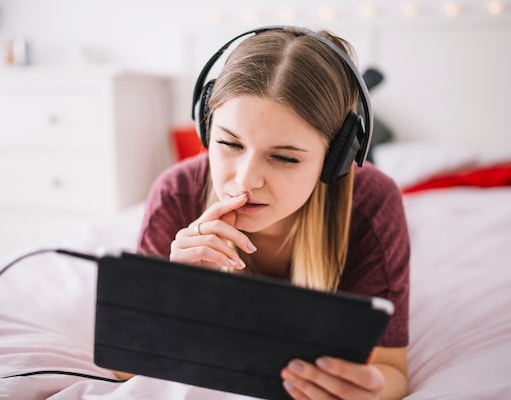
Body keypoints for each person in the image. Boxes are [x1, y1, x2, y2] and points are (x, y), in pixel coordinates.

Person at [137, 26, 410, 400]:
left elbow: (392, 370)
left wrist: (371, 389)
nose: (246, 180)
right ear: (206, 126)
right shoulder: (175, 193)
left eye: (283, 157)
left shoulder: (373, 203)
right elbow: (125, 365)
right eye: (229, 142)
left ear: (335, 160)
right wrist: (180, 294)